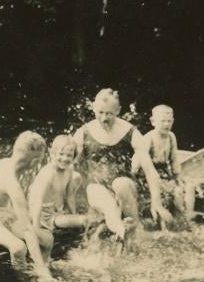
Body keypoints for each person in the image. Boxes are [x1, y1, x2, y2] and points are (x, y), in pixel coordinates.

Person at [73, 88, 172, 241]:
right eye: (100, 113)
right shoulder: (83, 133)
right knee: (99, 194)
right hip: (97, 188)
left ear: (118, 110)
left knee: (121, 184)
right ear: (93, 107)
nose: (104, 118)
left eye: (109, 114)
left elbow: (150, 172)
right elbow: (67, 167)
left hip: (125, 187)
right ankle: (122, 230)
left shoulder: (130, 132)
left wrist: (156, 203)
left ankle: (133, 230)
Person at [0, 131, 56, 282]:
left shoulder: (6, 162)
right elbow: (27, 228)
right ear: (34, 160)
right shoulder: (10, 180)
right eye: (40, 161)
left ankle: (40, 271)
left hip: (3, 215)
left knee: (47, 239)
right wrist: (42, 269)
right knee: (18, 248)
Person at [26, 135, 90, 268]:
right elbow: (37, 201)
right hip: (45, 216)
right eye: (61, 154)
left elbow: (69, 196)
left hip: (58, 212)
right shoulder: (48, 174)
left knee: (77, 178)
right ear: (52, 153)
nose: (65, 158)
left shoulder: (69, 170)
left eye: (69, 155)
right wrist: (36, 230)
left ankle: (80, 249)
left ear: (74, 157)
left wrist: (73, 215)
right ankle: (84, 252)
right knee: (84, 220)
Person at [133, 104, 195, 221]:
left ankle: (187, 216)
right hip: (149, 176)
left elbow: (174, 159)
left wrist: (178, 176)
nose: (166, 124)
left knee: (188, 186)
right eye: (162, 121)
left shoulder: (171, 137)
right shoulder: (148, 138)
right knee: (176, 193)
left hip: (165, 173)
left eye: (169, 121)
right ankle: (178, 216)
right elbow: (138, 160)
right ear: (153, 121)